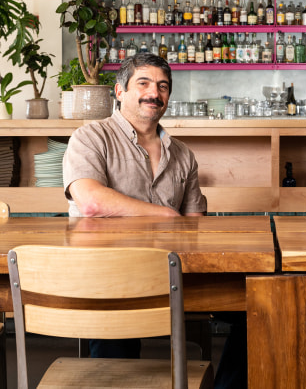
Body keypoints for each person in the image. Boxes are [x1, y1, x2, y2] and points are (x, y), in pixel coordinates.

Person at [62, 53, 207, 358]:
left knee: (256, 307)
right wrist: (166, 215)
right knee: (115, 347)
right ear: (119, 91)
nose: (154, 93)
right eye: (144, 83)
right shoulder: (90, 138)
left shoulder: (184, 155)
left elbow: (195, 223)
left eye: (163, 86)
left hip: (170, 274)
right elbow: (89, 201)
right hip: (106, 275)